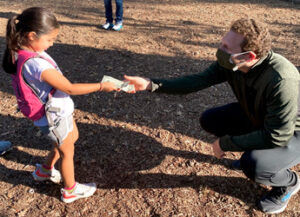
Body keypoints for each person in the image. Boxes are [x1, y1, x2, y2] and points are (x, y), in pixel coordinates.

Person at [124, 18, 300, 214]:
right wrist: (150, 84)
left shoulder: (281, 80)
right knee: (211, 119)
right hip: (260, 117)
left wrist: (226, 143)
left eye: (226, 46)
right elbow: (199, 80)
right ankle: (254, 155)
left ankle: (288, 183)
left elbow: (278, 135)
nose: (220, 48)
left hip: (292, 133)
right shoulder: (232, 63)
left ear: (248, 56)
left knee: (255, 165)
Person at [2, 7, 118, 203]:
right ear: (32, 36)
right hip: (52, 116)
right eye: (49, 39)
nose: (52, 43)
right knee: (67, 151)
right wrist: (101, 86)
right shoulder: (36, 64)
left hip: (56, 112)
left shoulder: (23, 51)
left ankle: (45, 171)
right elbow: (70, 88)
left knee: (70, 138)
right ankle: (70, 190)